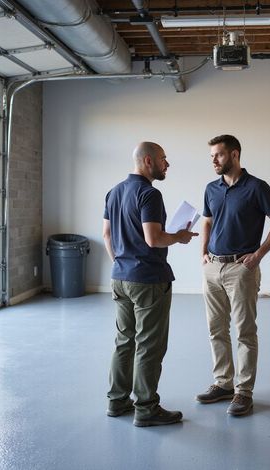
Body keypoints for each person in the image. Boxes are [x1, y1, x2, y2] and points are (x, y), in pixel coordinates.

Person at [103, 141, 198, 427]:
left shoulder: (114, 191)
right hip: (148, 280)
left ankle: (117, 402)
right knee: (149, 345)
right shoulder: (149, 194)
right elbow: (153, 239)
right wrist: (180, 236)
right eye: (163, 159)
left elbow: (107, 234)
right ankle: (146, 408)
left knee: (124, 341)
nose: (166, 164)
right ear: (148, 161)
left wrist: (121, 264)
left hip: (120, 278)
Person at [196, 134, 270, 416]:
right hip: (212, 267)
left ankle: (243, 392)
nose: (213, 160)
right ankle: (223, 383)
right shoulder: (211, 188)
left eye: (219, 155)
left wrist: (258, 255)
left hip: (241, 269)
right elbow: (208, 222)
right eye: (211, 155)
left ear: (234, 155)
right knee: (216, 329)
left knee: (245, 332)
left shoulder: (257, 187)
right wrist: (203, 252)